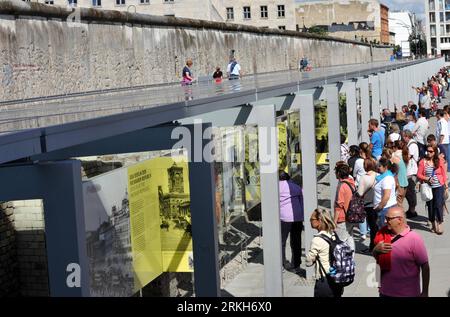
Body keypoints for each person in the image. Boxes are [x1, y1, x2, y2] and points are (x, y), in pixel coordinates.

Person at [373, 206, 430, 297]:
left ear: (399, 220)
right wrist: (375, 250)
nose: (385, 221)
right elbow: (377, 260)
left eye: (388, 219)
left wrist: (425, 292)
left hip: (407, 293)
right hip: (385, 292)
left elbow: (425, 266)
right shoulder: (382, 235)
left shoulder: (414, 238)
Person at [306, 208, 344, 298]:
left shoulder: (317, 240)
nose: (310, 221)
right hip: (337, 279)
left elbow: (308, 262)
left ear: (319, 221)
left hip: (325, 281)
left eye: (312, 219)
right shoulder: (333, 235)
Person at [417, 144, 447, 234]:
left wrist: (446, 186)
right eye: (428, 151)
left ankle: (439, 223)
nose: (429, 153)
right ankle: (433, 223)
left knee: (438, 205)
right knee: (430, 206)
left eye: (431, 151)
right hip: (428, 187)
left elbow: (443, 173)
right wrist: (427, 179)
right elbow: (419, 174)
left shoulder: (439, 160)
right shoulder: (423, 162)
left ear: (435, 152)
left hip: (439, 186)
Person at [278, 171, 304, 273]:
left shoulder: (276, 187)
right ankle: (296, 265)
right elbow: (302, 201)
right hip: (297, 217)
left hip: (284, 218)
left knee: (281, 241)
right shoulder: (296, 187)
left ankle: (282, 262)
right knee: (296, 241)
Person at [333, 161, 356, 252]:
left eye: (336, 171)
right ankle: (351, 260)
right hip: (351, 215)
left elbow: (339, 205)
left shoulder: (342, 186)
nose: (335, 173)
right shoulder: (351, 182)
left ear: (339, 173)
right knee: (350, 237)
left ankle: (344, 262)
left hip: (343, 217)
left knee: (341, 241)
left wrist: (334, 221)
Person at [357, 158, 378, 251]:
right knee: (376, 226)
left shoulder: (364, 177)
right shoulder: (378, 175)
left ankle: (372, 247)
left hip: (368, 204)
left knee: (372, 226)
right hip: (378, 203)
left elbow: (360, 193)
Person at [373, 157, 397, 228]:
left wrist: (379, 207)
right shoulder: (383, 177)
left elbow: (386, 196)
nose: (378, 167)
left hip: (385, 208)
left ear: (385, 167)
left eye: (379, 166)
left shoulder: (387, 179)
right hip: (385, 208)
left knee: (385, 232)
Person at [403, 130, 419, 218]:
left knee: (410, 191)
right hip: (409, 170)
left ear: (406, 136)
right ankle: (411, 209)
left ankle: (412, 210)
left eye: (403, 136)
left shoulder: (412, 145)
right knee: (409, 191)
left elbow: (409, 156)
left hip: (411, 171)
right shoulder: (410, 144)